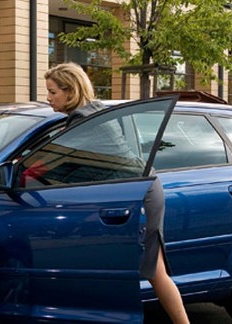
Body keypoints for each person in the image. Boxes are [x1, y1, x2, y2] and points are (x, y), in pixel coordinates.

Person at [44, 62, 190, 323]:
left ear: (70, 91)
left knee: (154, 271)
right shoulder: (92, 111)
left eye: (53, 91)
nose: (48, 98)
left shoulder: (82, 120)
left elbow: (54, 162)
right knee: (137, 269)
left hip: (139, 193)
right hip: (137, 188)